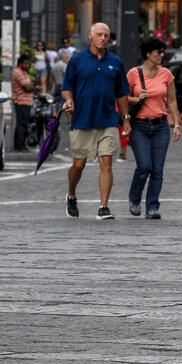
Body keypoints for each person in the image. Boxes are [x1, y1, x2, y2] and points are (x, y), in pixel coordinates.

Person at [61, 22, 130, 220]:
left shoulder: (115, 61)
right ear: (90, 36)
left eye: (106, 35)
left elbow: (122, 93)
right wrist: (68, 99)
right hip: (82, 119)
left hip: (107, 119)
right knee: (79, 164)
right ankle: (72, 194)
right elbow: (67, 87)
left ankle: (103, 207)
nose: (103, 38)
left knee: (106, 160)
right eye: (99, 34)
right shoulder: (77, 60)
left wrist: (125, 119)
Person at [125, 37, 182, 220]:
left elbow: (172, 100)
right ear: (148, 54)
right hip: (139, 126)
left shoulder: (166, 74)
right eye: (159, 52)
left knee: (157, 169)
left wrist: (176, 124)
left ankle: (152, 207)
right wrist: (137, 98)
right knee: (144, 166)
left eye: (162, 52)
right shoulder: (134, 73)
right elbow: (123, 98)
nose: (162, 55)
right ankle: (134, 199)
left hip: (160, 126)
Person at [11, 54, 35, 152]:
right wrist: (32, 87)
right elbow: (28, 87)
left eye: (29, 63)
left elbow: (29, 86)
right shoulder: (18, 72)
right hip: (21, 102)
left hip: (26, 102)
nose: (28, 65)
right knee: (22, 124)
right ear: (20, 64)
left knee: (23, 124)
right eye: (25, 64)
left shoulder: (23, 72)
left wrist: (31, 86)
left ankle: (20, 145)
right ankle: (20, 146)